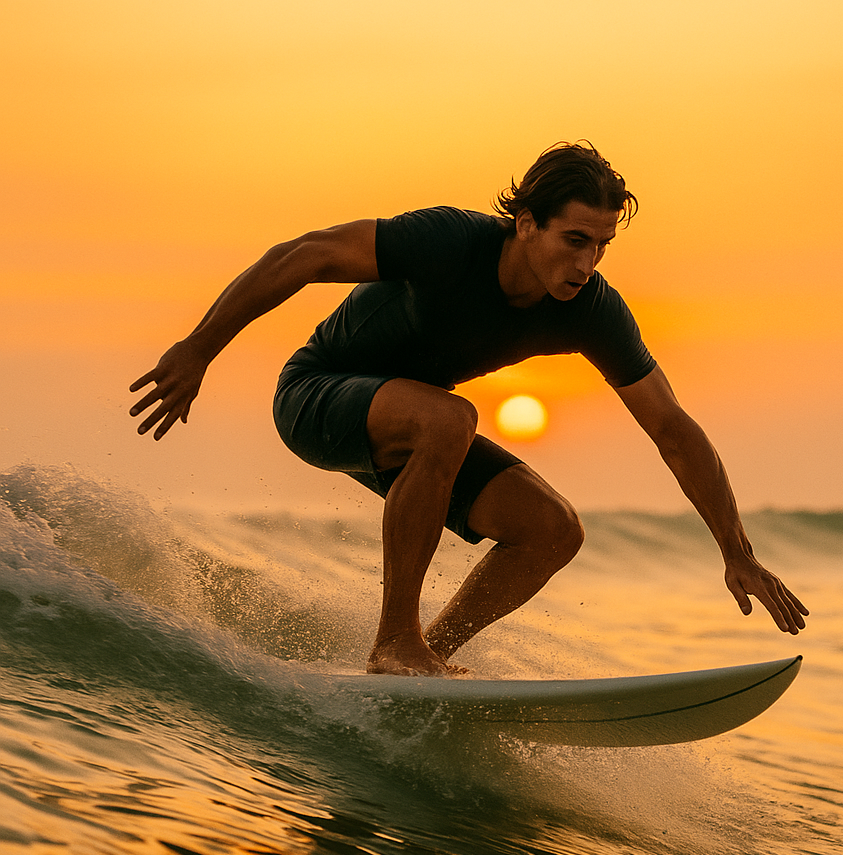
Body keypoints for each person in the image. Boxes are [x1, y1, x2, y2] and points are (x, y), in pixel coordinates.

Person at [130, 143, 808, 677]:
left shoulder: (591, 310)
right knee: (450, 417)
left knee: (553, 530)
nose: (588, 262)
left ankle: (424, 656)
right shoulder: (449, 242)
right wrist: (198, 350)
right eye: (575, 240)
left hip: (415, 423)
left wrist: (736, 550)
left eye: (602, 244)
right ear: (526, 224)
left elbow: (672, 428)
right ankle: (395, 641)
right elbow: (303, 255)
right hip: (317, 394)